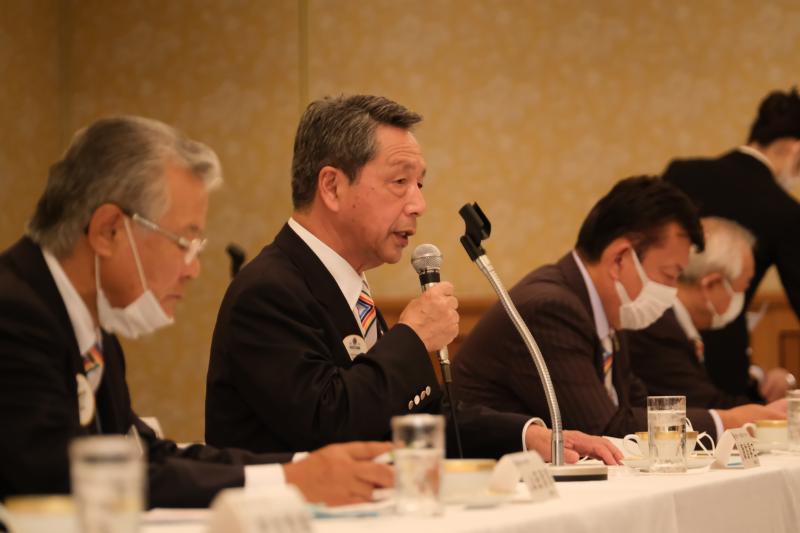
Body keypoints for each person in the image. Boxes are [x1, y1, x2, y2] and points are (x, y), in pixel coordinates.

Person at [0, 116, 393, 508]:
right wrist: (291, 479)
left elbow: (144, 455)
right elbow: (63, 480)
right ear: (108, 230)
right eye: (183, 242)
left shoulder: (87, 324)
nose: (193, 269)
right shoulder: (14, 316)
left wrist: (303, 469)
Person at [205, 94, 620, 464]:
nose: (419, 204)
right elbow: (328, 425)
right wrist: (413, 338)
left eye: (419, 184)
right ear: (331, 187)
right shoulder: (268, 291)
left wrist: (528, 435)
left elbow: (414, 420)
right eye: (400, 182)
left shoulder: (347, 286)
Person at [453, 177, 785, 440]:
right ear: (620, 259)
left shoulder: (605, 308)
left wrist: (735, 417)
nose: (672, 292)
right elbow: (603, 428)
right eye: (669, 275)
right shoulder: (550, 308)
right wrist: (727, 421)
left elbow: (634, 406)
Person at [663, 87, 800, 402]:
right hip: (723, 361)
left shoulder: (682, 172)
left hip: (653, 341)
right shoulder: (784, 210)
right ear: (796, 150)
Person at [629, 217, 790, 408]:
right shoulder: (657, 327)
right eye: (744, 286)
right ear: (712, 285)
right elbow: (706, 406)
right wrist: (775, 412)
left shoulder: (678, 323)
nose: (742, 296)